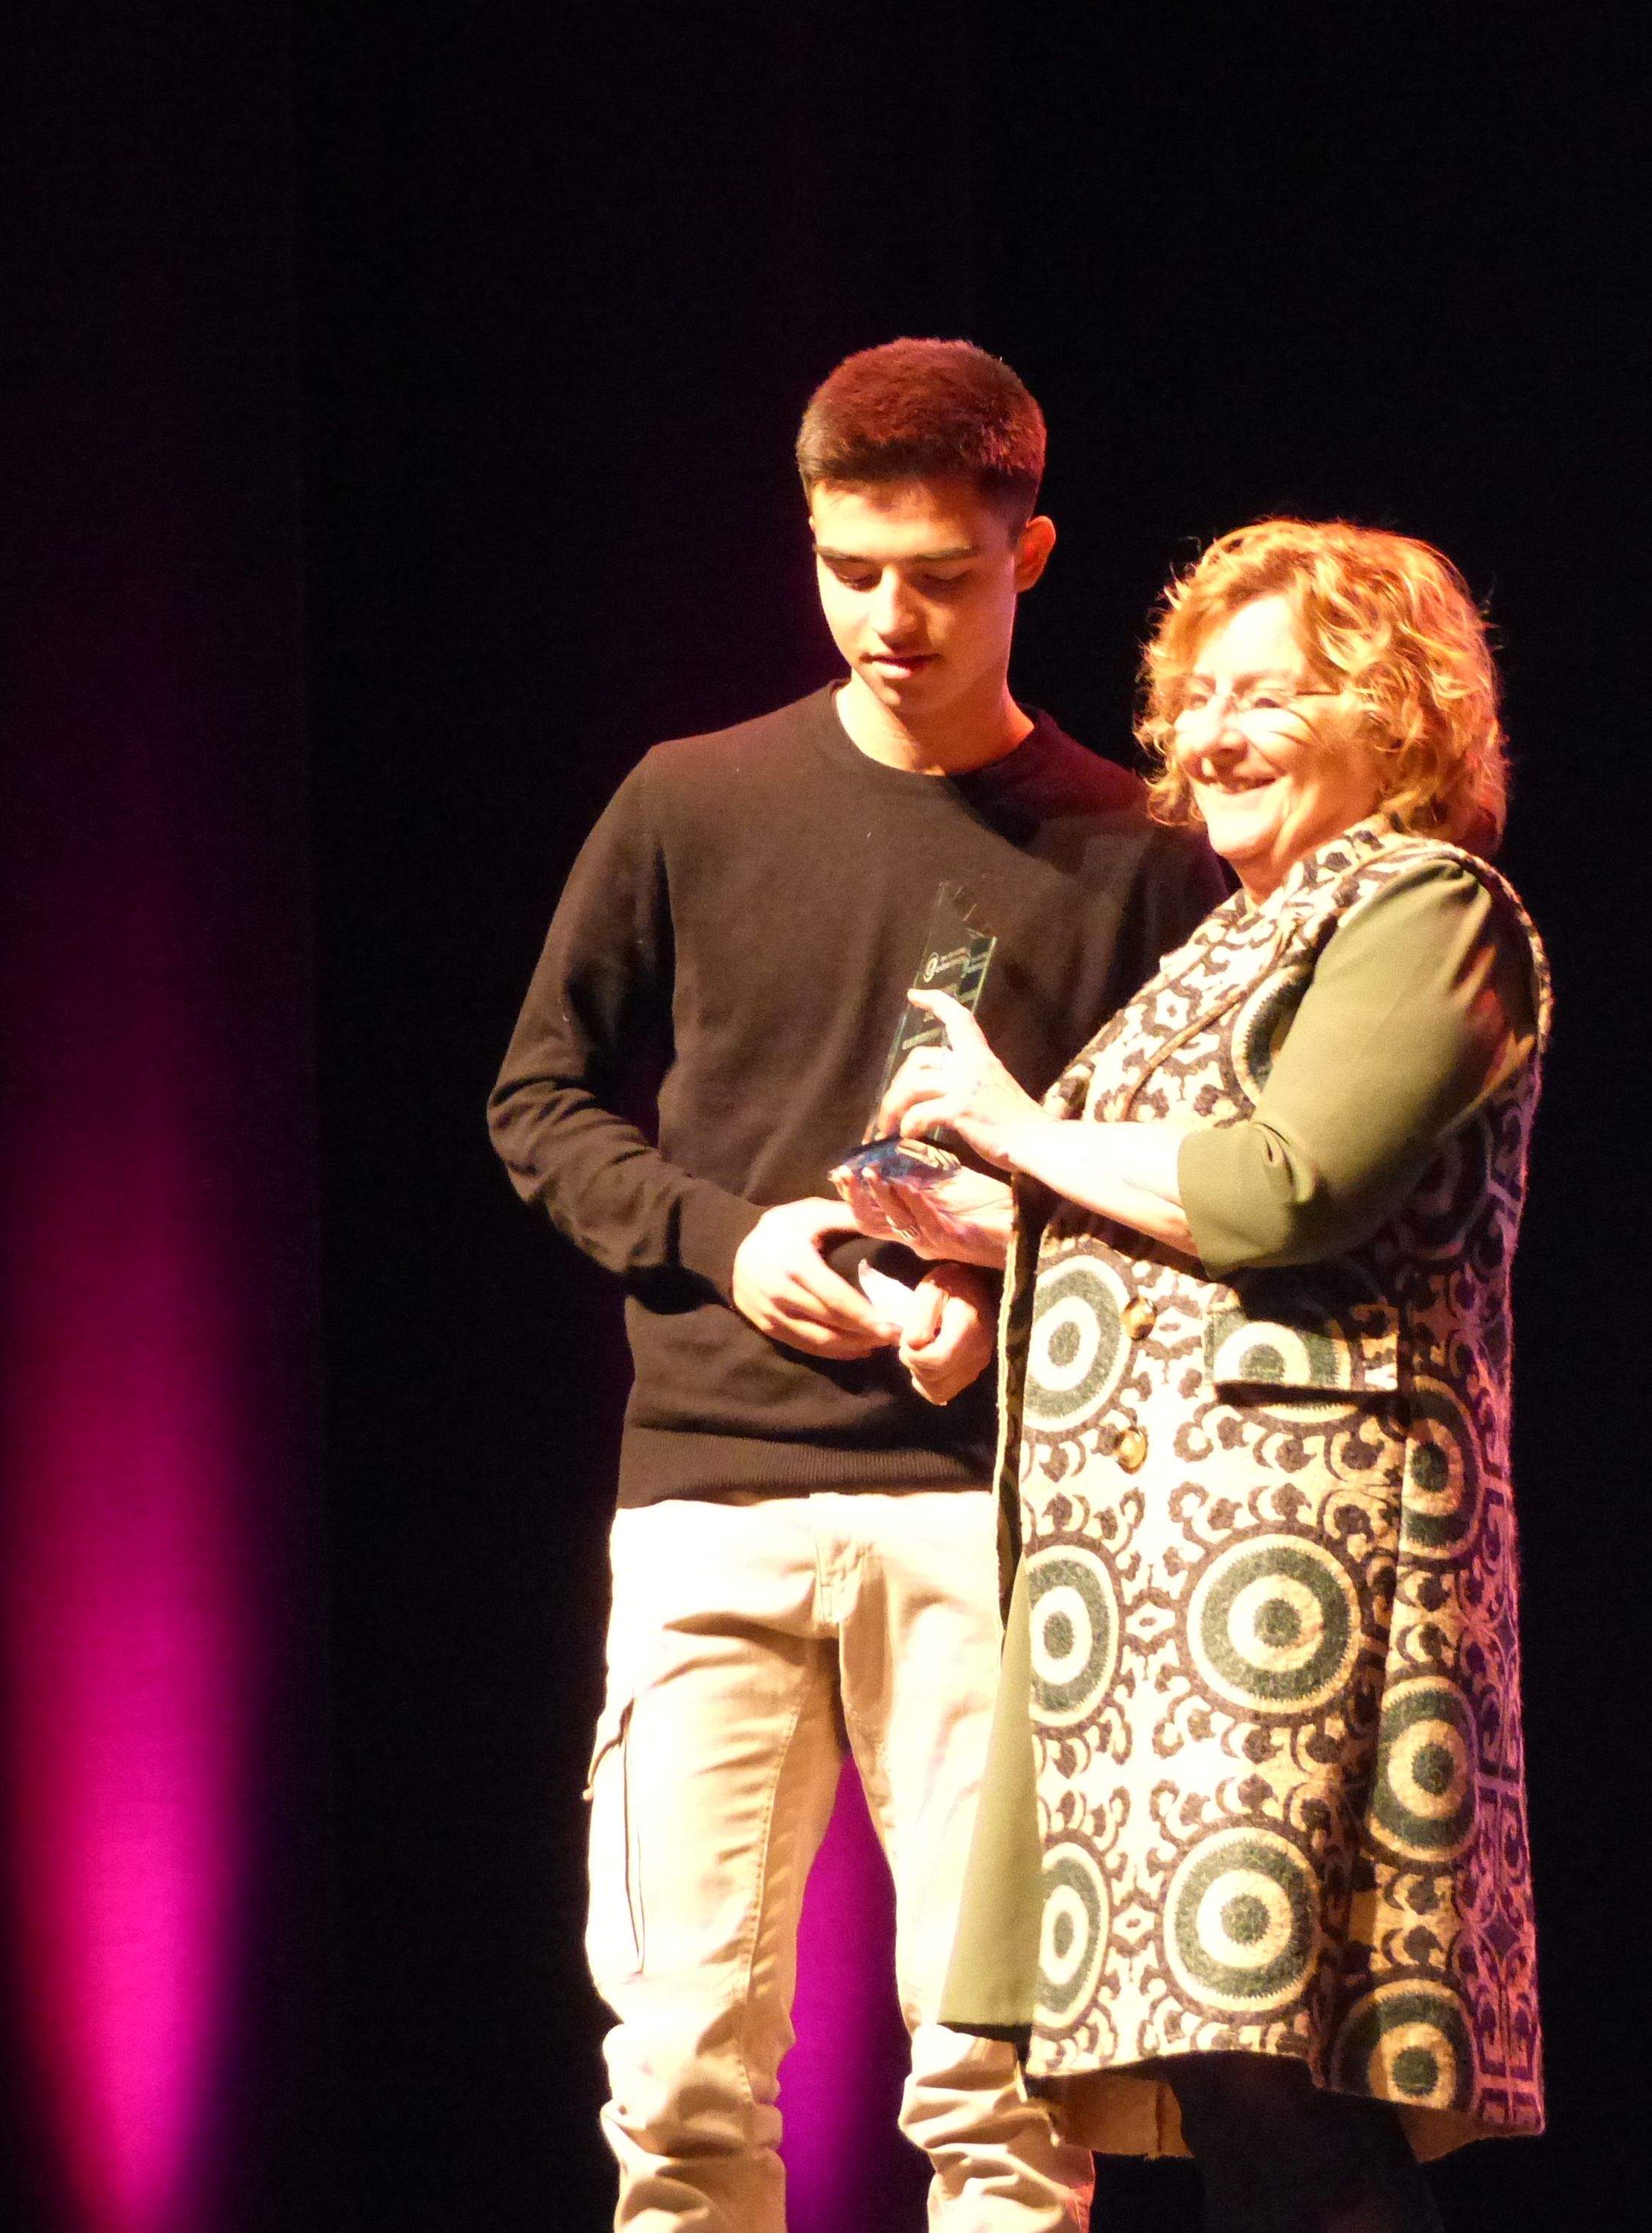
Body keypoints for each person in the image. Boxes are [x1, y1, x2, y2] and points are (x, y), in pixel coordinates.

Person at [487, 339, 1225, 2233]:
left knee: (996, 2096)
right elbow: (541, 1102)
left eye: (940, 576)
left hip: (990, 1512)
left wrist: (1019, 1291)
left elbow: (1196, 1200)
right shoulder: (692, 800)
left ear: (1030, 555)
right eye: (850, 571)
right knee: (677, 2071)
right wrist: (731, 1236)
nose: (890, 620)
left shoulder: (1138, 850)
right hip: (711, 1500)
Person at [845, 519, 1549, 2233]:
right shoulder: (1226, 942)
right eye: (1195, 701)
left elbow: (1282, 1186)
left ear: (1390, 715)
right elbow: (1139, 1213)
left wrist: (1018, 1135)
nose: (1207, 738)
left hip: (1283, 1580)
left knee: (1283, 2076)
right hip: (1135, 1602)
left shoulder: (1423, 904)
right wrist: (981, 1276)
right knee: (1229, 2079)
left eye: (1268, 695)